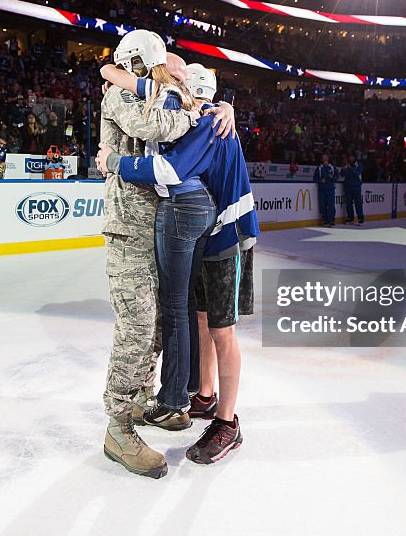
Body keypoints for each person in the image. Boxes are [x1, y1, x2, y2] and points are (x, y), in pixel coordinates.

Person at [95, 31, 236, 479]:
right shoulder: (119, 94)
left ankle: (138, 400)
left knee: (157, 323)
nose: (165, 74)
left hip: (155, 225)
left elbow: (172, 106)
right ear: (140, 63)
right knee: (136, 327)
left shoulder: (152, 92)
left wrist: (219, 107)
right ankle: (118, 428)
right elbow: (157, 126)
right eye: (160, 66)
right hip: (127, 229)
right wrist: (198, 110)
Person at [313, 153, 338, 226]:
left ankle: (331, 220)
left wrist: (332, 177)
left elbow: (337, 177)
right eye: (323, 157)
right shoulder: (319, 168)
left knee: (331, 205)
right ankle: (325, 220)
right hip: (322, 189)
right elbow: (314, 179)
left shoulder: (332, 167)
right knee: (323, 205)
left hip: (330, 189)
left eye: (326, 157)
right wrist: (321, 181)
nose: (325, 159)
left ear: (328, 158)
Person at [342, 153, 365, 225]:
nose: (350, 158)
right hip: (348, 186)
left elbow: (357, 173)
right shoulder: (346, 164)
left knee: (358, 203)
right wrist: (344, 169)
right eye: (349, 157)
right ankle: (350, 218)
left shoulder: (358, 164)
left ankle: (360, 218)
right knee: (349, 203)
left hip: (356, 186)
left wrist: (350, 168)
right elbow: (342, 174)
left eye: (352, 157)